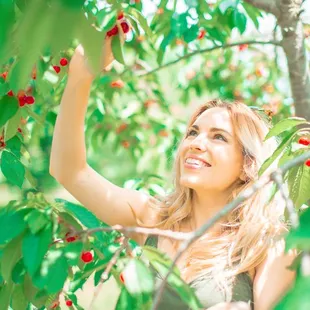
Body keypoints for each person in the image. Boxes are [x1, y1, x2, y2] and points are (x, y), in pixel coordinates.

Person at [49, 20, 297, 310]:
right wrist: (80, 76)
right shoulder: (153, 219)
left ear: (248, 164)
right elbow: (70, 171)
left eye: (218, 137)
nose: (195, 143)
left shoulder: (265, 243)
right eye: (193, 132)